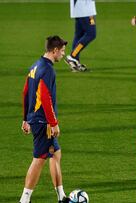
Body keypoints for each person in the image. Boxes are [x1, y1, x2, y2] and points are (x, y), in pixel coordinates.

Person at [20, 36, 69, 203]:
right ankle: (24, 200)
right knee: (39, 159)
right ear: (54, 50)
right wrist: (53, 123)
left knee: (56, 154)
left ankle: (61, 197)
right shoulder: (48, 69)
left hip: (35, 118)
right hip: (43, 121)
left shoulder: (35, 65)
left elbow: (26, 92)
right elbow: (46, 97)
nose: (63, 54)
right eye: (62, 51)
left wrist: (25, 119)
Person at [64, 0, 97, 72]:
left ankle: (75, 62)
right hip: (85, 9)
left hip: (80, 8)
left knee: (79, 35)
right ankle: (73, 56)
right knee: (91, 34)